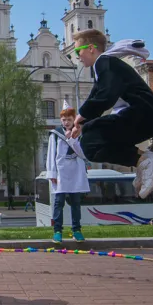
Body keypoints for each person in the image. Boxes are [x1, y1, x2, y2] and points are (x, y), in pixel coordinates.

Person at [66, 32, 153, 199]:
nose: (77, 57)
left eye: (78, 51)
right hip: (143, 118)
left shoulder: (105, 62)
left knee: (91, 136)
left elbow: (106, 96)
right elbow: (95, 97)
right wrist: (81, 124)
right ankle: (143, 161)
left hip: (144, 115)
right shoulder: (104, 68)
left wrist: (82, 117)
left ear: (91, 48)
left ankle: (147, 161)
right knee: (90, 146)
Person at [46, 104, 90, 244]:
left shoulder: (80, 133)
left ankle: (76, 230)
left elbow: (83, 154)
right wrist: (52, 173)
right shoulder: (56, 134)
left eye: (69, 119)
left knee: (75, 202)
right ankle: (57, 231)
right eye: (63, 119)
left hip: (76, 171)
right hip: (61, 172)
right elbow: (51, 154)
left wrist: (72, 139)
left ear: (74, 119)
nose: (66, 122)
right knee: (59, 202)